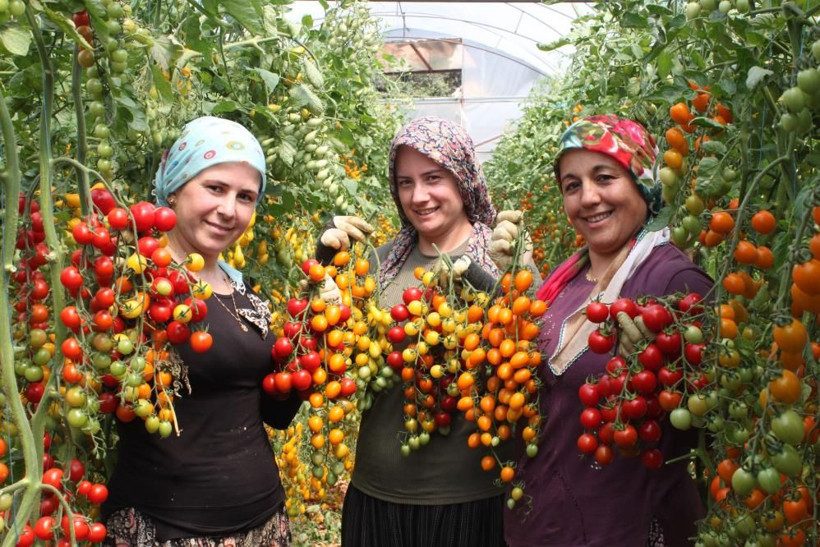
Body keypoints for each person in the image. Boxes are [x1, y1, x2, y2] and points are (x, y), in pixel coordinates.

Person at [503, 115, 713, 547]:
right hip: (542, 527)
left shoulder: (673, 283)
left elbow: (715, 422)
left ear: (642, 180)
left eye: (604, 177)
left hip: (627, 530)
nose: (588, 198)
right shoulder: (563, 282)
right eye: (572, 185)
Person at [102, 116, 301, 546]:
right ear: (174, 186)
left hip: (264, 521)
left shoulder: (240, 288)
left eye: (245, 197)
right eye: (215, 188)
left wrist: (308, 334)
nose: (229, 209)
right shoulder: (135, 284)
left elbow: (276, 414)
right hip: (166, 529)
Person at [317, 117, 507, 547]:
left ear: (463, 178)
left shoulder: (502, 259)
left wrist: (486, 287)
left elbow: (528, 359)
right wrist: (322, 272)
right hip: (375, 495)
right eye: (405, 182)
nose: (418, 196)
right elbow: (330, 361)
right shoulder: (377, 265)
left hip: (470, 501)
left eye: (433, 178)